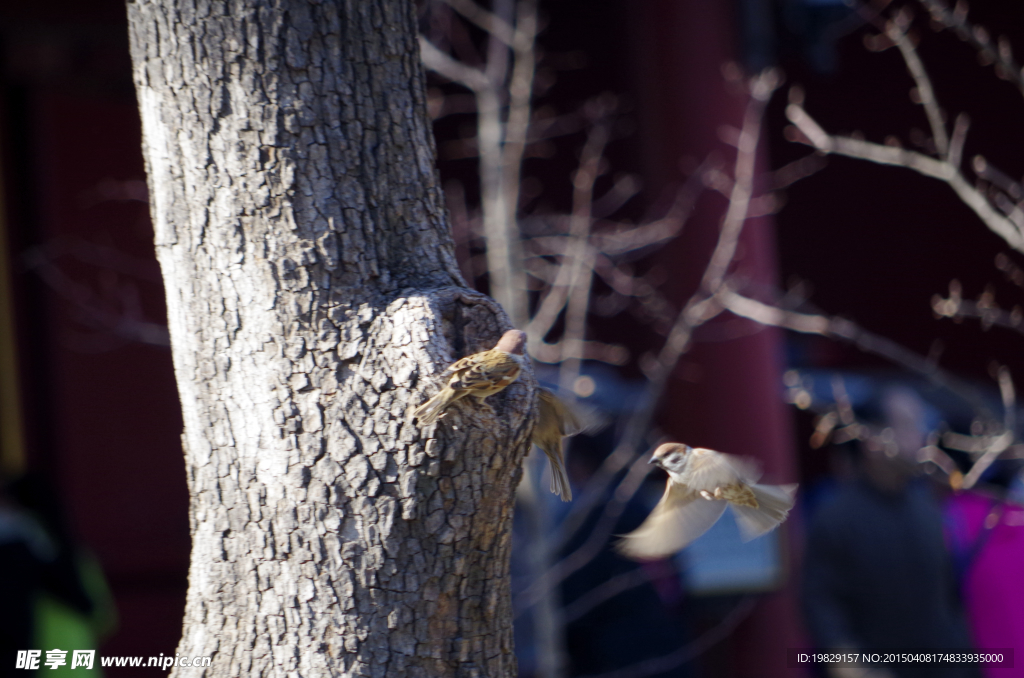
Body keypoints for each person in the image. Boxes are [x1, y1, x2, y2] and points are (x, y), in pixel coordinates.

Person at [801, 387, 980, 678]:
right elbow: (823, 608)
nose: (922, 438)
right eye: (908, 426)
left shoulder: (928, 508)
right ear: (873, 438)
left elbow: (949, 603)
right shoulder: (836, 518)